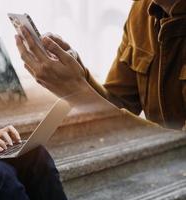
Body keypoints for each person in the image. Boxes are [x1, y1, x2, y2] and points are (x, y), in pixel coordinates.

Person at [15, 0, 186, 130]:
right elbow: (119, 103)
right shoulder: (141, 10)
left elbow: (178, 150)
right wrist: (79, 76)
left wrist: (77, 93)